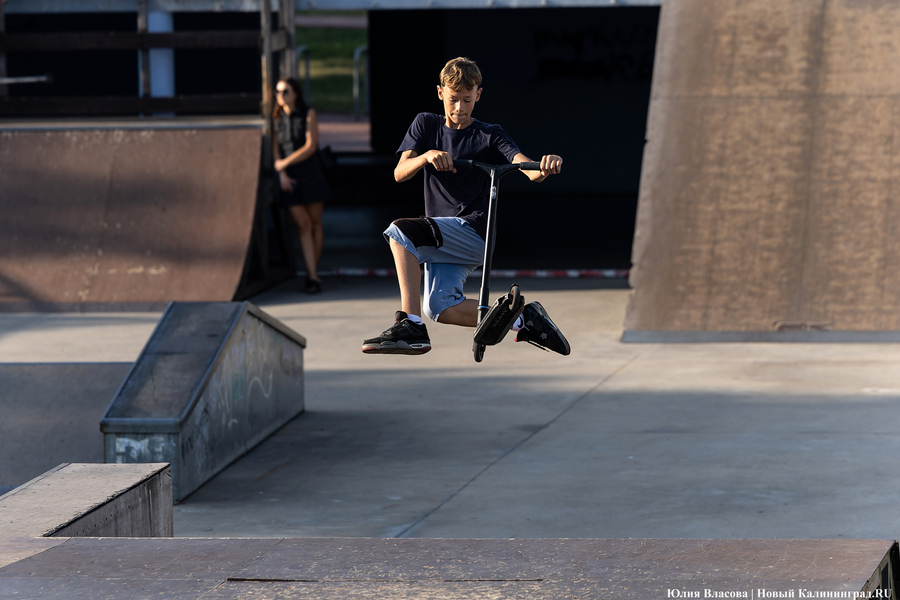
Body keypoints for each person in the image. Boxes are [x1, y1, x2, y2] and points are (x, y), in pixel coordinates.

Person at [361, 57, 570, 356]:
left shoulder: (489, 134)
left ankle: (410, 325)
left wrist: (546, 165)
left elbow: (529, 170)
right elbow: (399, 173)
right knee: (439, 307)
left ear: (478, 95)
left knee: (401, 232)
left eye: (467, 100)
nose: (459, 108)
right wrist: (426, 156)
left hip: (473, 232)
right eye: (453, 99)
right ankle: (525, 320)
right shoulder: (426, 124)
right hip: (443, 239)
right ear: (440, 93)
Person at [273, 77, 332, 294]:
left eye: (285, 91)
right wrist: (282, 174)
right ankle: (312, 275)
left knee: (315, 224)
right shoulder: (275, 118)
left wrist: (284, 164)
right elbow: (275, 150)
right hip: (289, 179)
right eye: (278, 92)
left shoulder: (308, 114)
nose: (280, 96)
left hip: (310, 174)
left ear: (295, 93)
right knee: (303, 225)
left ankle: (311, 275)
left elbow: (310, 146)